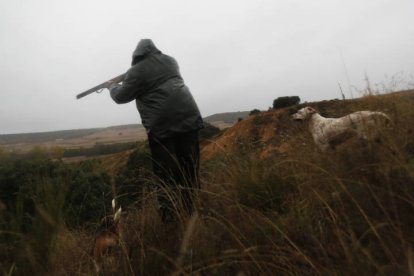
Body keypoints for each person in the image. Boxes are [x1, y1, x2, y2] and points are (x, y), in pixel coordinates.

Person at [107, 39, 203, 222]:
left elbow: (121, 96)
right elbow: (152, 76)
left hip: (162, 127)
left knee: (166, 177)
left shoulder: (136, 71)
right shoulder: (171, 61)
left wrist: (111, 86)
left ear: (136, 56)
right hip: (189, 119)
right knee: (190, 169)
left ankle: (170, 221)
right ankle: (193, 213)